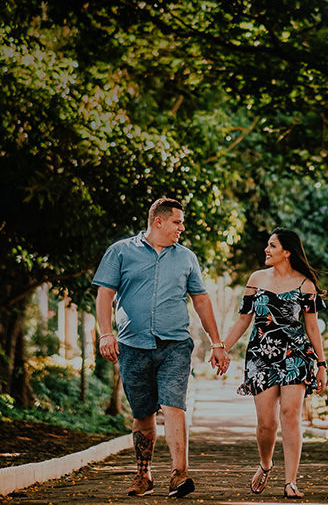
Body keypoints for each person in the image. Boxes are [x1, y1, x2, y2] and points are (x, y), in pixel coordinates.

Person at [94, 198, 228, 498]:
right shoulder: (120, 252)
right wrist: (106, 334)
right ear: (159, 222)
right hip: (132, 345)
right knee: (142, 413)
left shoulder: (186, 258)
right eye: (177, 222)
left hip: (175, 345)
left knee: (174, 405)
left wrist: (217, 343)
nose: (182, 228)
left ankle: (179, 475)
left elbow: (201, 300)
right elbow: (105, 294)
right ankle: (143, 475)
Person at [220, 228, 327, 499]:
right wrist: (222, 347)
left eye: (272, 246)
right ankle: (266, 465)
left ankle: (291, 481)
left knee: (290, 415)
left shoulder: (306, 285)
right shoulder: (256, 279)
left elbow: (312, 328)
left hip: (295, 355)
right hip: (261, 356)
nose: (266, 250)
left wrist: (322, 364)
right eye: (268, 246)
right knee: (266, 424)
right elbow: (244, 319)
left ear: (287, 252)